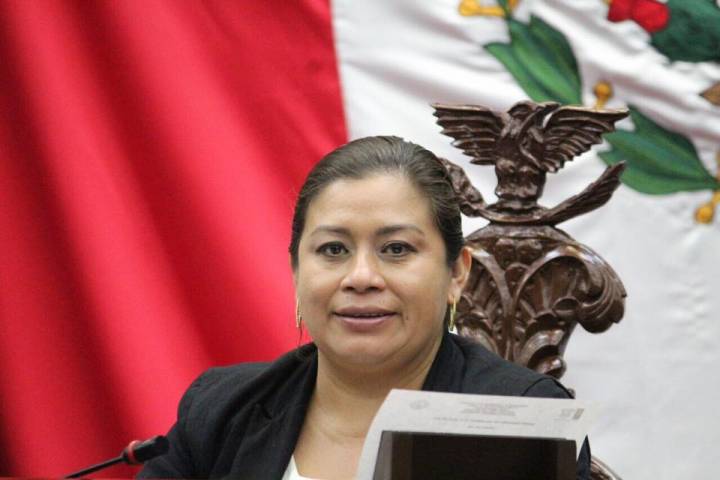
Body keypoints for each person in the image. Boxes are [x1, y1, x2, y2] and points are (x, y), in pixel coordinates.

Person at [138, 136, 590, 479]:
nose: (361, 277)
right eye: (333, 250)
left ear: (456, 273)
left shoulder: (520, 418)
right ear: (296, 270)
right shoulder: (222, 408)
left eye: (396, 249)